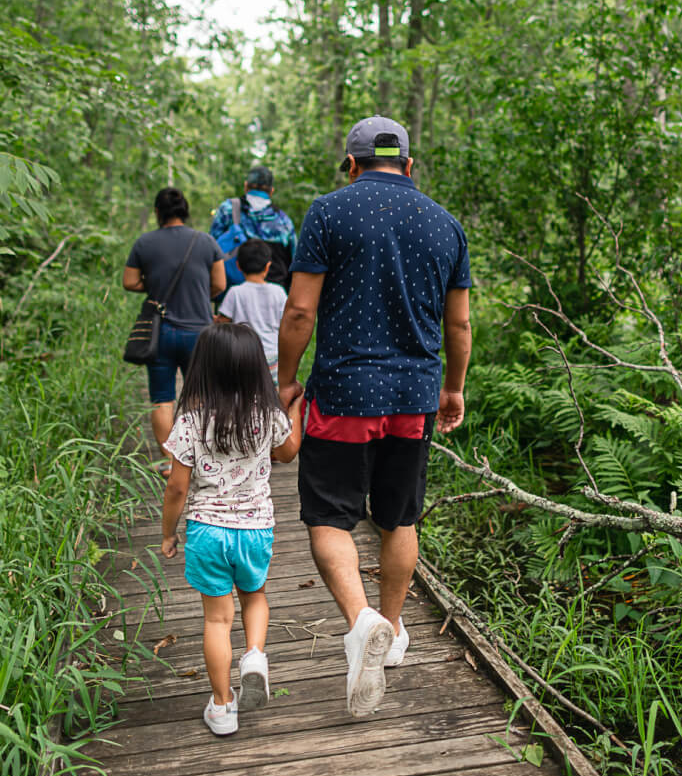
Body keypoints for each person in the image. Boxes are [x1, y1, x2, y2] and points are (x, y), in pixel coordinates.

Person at [276, 115, 472, 717]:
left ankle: (360, 621)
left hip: (343, 392)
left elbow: (301, 312)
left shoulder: (328, 213)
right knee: (399, 514)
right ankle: (391, 626)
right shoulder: (446, 225)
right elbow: (459, 324)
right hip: (414, 395)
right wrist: (453, 388)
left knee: (330, 517)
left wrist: (285, 380)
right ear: (408, 165)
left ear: (352, 163)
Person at [159, 323, 305, 736]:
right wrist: (293, 406)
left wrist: (168, 533)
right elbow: (289, 451)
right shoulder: (265, 412)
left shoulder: (190, 419)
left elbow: (177, 486)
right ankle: (255, 655)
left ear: (202, 367)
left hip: (207, 530)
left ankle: (223, 707)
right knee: (255, 597)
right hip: (255, 528)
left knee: (217, 621)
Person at [123, 187, 227, 458]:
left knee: (162, 398)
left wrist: (153, 283)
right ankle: (196, 457)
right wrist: (202, 293)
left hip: (161, 332)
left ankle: (170, 461)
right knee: (199, 398)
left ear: (158, 212)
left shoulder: (144, 243)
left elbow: (129, 281)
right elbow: (220, 283)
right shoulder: (205, 242)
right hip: (199, 333)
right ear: (185, 211)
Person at [210, 166, 296, 292]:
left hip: (233, 294)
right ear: (271, 191)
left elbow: (211, 248)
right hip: (275, 297)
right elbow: (294, 262)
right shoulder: (284, 221)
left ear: (246, 186)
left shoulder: (228, 209)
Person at [216, 238, 289, 383]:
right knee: (271, 397)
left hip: (242, 357)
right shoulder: (279, 292)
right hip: (272, 356)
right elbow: (286, 324)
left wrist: (216, 320)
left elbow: (223, 323)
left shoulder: (235, 292)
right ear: (268, 266)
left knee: (243, 396)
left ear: (238, 266)